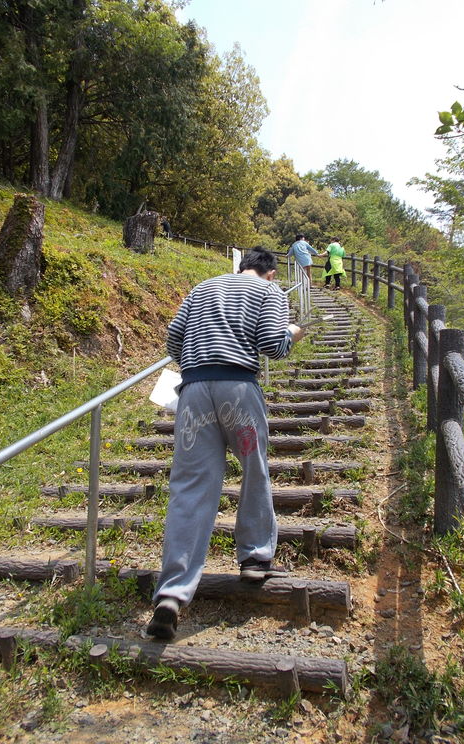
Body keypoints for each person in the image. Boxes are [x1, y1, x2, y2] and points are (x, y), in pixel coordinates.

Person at [146, 246, 306, 640]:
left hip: (194, 392)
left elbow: (173, 341)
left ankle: (172, 594)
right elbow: (271, 344)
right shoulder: (269, 292)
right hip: (238, 389)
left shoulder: (202, 287)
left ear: (242, 265)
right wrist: (292, 333)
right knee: (254, 471)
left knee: (189, 487)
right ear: (270, 273)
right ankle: (255, 558)